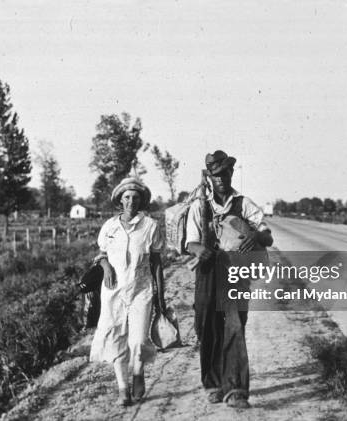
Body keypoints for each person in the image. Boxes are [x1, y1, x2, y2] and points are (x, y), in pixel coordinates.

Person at [185, 150, 273, 409]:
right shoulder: (199, 206)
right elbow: (190, 242)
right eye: (216, 175)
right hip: (208, 273)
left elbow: (267, 235)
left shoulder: (244, 204)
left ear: (232, 173)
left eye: (225, 173)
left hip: (236, 272)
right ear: (209, 178)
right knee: (208, 327)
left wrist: (256, 237)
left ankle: (236, 389)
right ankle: (212, 384)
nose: (221, 178)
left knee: (234, 325)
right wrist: (200, 250)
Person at [89, 177, 166, 407]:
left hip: (141, 290)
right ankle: (123, 389)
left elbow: (157, 262)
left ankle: (138, 372)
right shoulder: (110, 227)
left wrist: (161, 297)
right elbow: (101, 254)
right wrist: (105, 267)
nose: (131, 201)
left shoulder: (150, 226)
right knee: (115, 339)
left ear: (141, 201)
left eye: (135, 197)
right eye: (127, 197)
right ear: (120, 201)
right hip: (112, 292)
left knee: (139, 340)